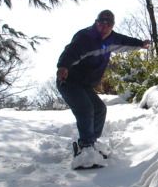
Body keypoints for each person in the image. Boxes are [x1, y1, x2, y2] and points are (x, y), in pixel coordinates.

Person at [56, 9, 150, 167]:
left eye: (108, 25)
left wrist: (141, 44)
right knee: (86, 109)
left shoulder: (113, 39)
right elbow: (70, 51)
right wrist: (63, 67)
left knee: (99, 109)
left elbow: (126, 41)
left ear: (112, 26)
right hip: (68, 81)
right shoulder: (85, 37)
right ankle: (85, 149)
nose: (104, 28)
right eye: (101, 24)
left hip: (84, 85)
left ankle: (90, 143)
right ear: (96, 23)